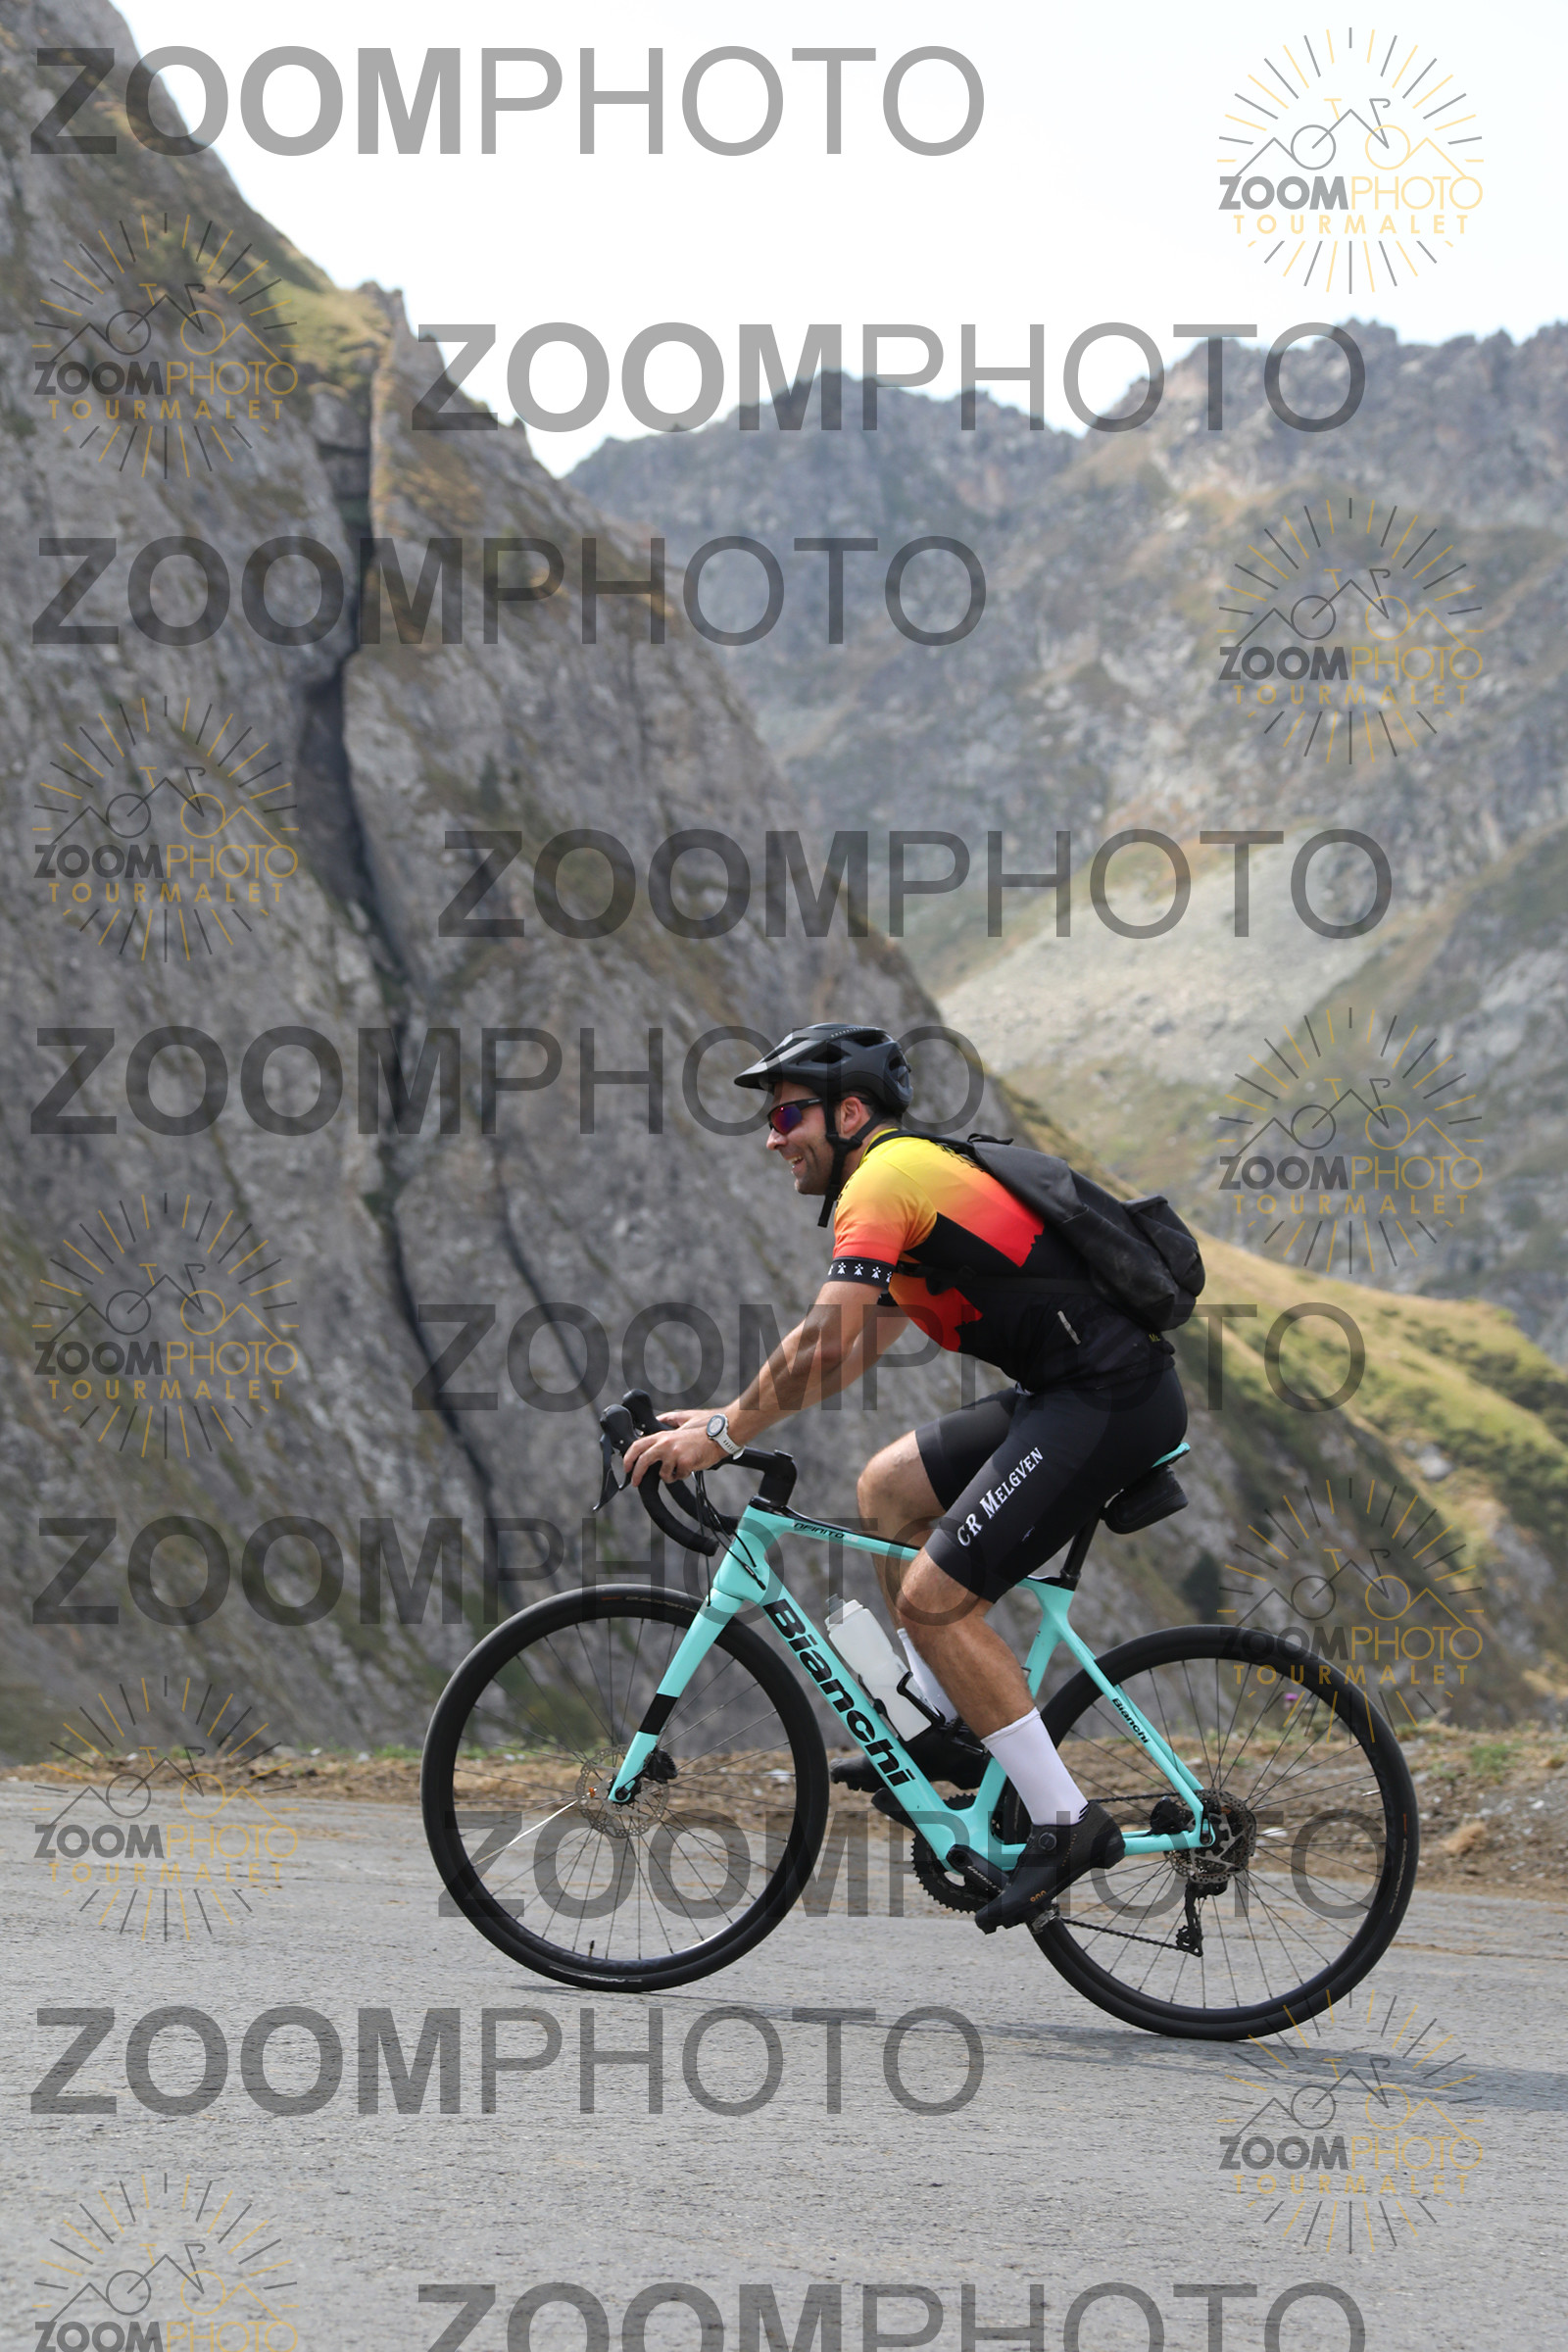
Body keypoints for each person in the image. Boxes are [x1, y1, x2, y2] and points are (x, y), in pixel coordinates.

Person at [622, 1022, 1189, 1931]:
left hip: (1108, 1400)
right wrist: (723, 1415)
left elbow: (821, 1340)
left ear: (850, 1113)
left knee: (934, 1602)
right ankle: (940, 1727)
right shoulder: (902, 1181)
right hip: (1069, 1391)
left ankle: (1064, 1820)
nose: (772, 1138)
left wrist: (726, 1435)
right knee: (888, 1489)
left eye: (788, 1116)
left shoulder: (885, 1180)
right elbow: (846, 1354)